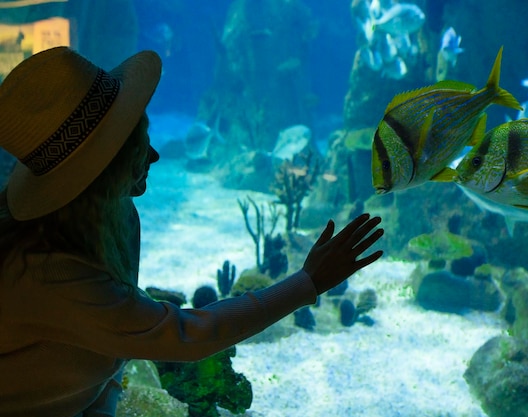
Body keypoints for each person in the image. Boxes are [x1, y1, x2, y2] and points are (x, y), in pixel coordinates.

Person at [0, 47, 384, 417]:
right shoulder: (47, 274)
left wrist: (103, 405)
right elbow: (185, 336)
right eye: (135, 143)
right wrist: (307, 282)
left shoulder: (114, 219)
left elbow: (117, 336)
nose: (153, 155)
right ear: (105, 166)